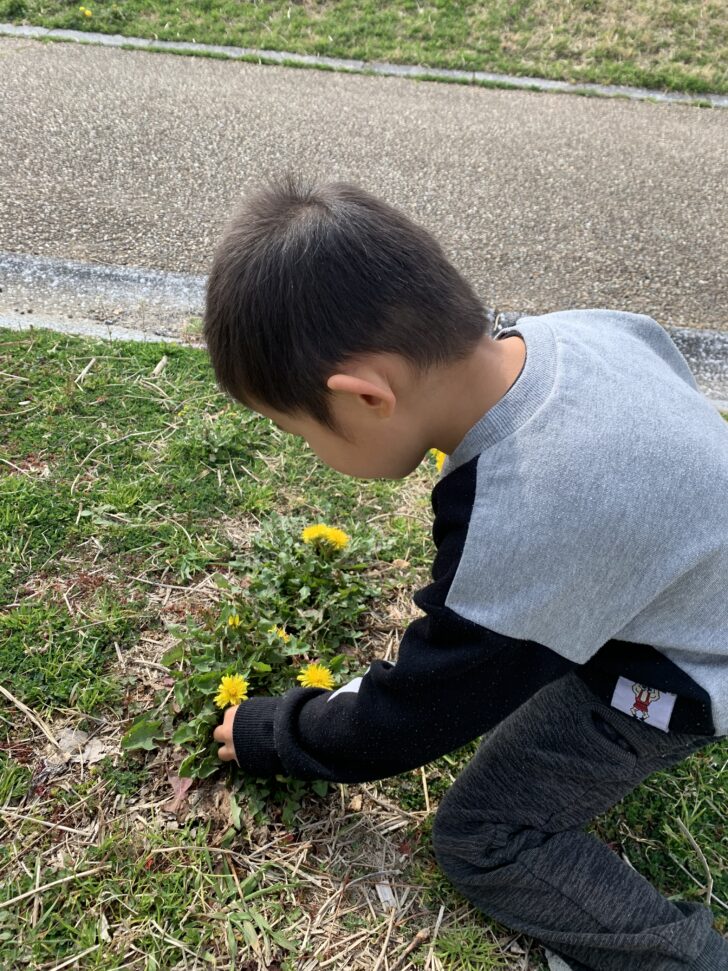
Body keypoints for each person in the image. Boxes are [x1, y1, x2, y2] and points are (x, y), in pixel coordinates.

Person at [205, 174, 728, 971]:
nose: (309, 450)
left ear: (366, 397)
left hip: (691, 669)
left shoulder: (525, 512)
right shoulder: (576, 333)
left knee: (482, 833)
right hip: (690, 574)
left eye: (296, 428)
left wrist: (277, 731)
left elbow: (413, 712)